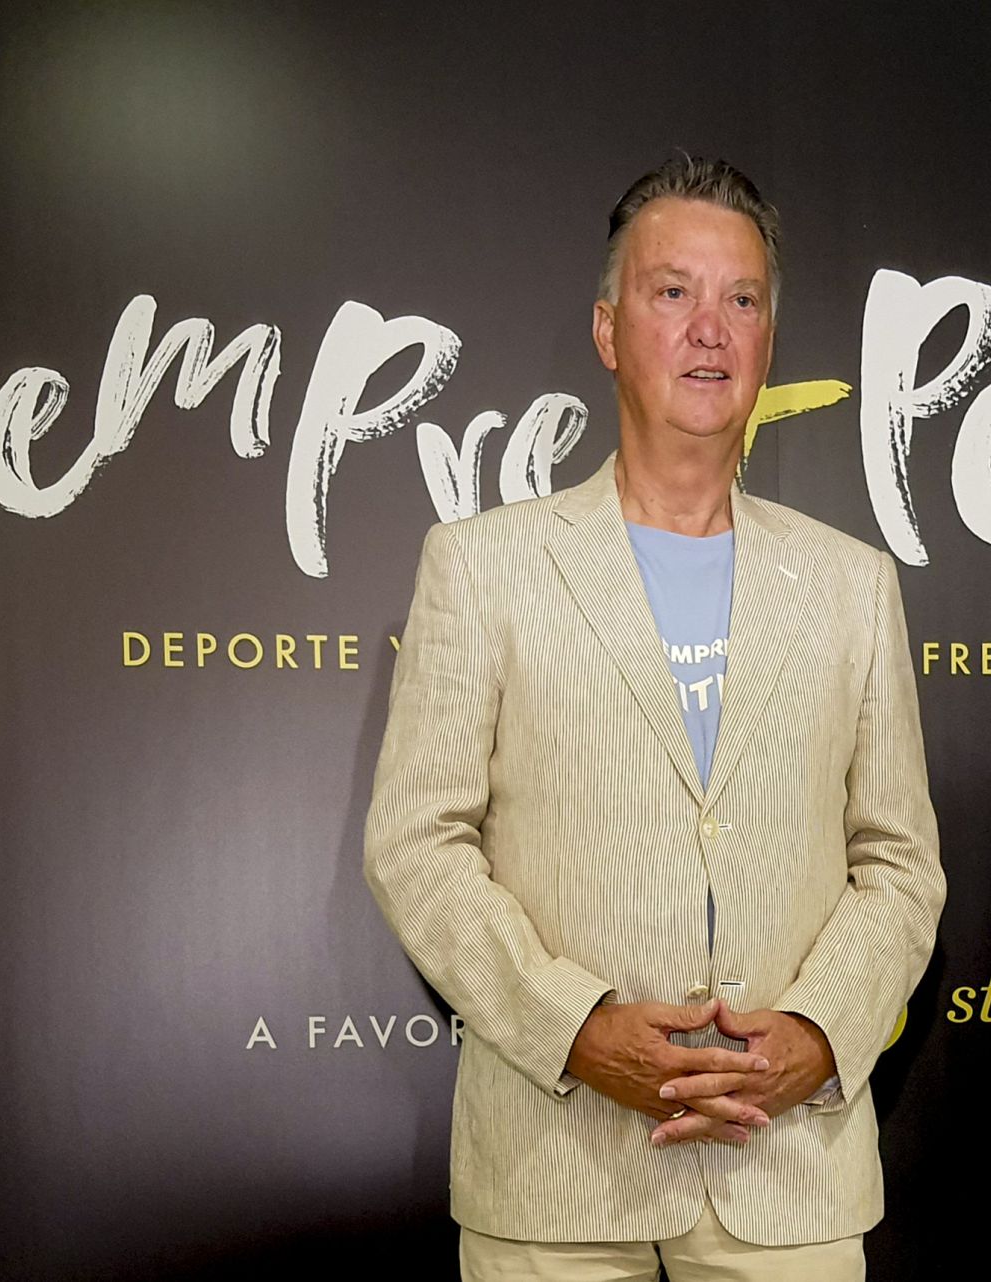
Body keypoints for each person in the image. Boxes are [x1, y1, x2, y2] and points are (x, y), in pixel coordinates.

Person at [364, 154, 943, 1281]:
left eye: (742, 300)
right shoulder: (483, 567)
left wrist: (820, 1034)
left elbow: (902, 861)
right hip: (555, 1171)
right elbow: (416, 845)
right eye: (672, 293)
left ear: (770, 340)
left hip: (792, 1171)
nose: (709, 330)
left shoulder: (850, 582)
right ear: (606, 328)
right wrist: (575, 1030)